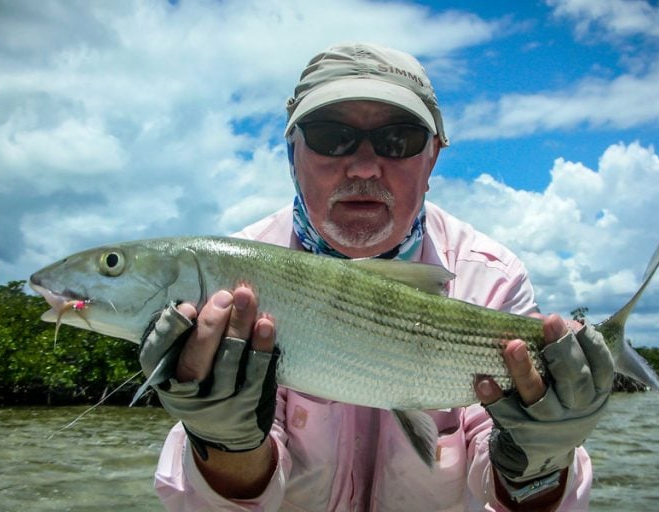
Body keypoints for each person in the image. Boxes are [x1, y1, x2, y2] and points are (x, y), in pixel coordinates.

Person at [139, 42, 614, 511]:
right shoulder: (235, 278)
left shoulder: (491, 275)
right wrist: (225, 444)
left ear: (432, 159)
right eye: (331, 135)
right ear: (292, 153)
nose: (365, 166)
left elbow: (517, 495)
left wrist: (539, 464)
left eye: (398, 141)